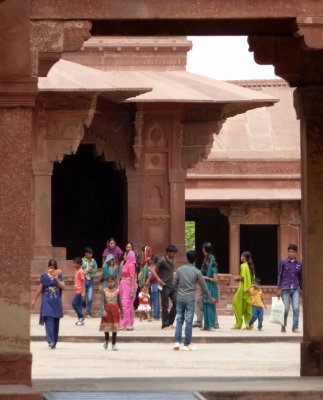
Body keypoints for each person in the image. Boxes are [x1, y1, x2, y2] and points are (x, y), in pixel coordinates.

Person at [173, 250, 217, 351]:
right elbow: (204, 287)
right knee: (188, 321)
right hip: (190, 299)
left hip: (180, 298)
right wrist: (211, 298)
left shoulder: (179, 270)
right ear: (195, 259)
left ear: (187, 258)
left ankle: (176, 342)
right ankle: (186, 344)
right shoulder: (197, 272)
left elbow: (174, 284)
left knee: (179, 320)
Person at [31, 259, 65, 349]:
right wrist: (34, 299)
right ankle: (50, 340)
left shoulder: (59, 275)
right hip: (46, 301)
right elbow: (40, 289)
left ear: (56, 267)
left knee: (55, 322)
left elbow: (63, 287)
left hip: (56, 302)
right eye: (50, 267)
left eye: (54, 267)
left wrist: (56, 277)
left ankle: (54, 341)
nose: (52, 269)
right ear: (48, 267)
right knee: (49, 319)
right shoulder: (44, 276)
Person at [151, 244, 178, 329]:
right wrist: (158, 279)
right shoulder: (162, 260)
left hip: (173, 286)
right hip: (165, 285)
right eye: (173, 253)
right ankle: (165, 324)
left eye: (175, 253)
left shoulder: (173, 260)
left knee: (177, 303)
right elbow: (152, 269)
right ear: (168, 252)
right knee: (165, 306)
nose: (174, 255)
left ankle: (170, 322)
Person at [277, 243, 302, 333]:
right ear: (288, 252)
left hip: (295, 289)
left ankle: (295, 327)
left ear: (296, 253)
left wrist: (302, 289)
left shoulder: (299, 264)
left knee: (296, 308)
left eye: (293, 252)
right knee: (286, 309)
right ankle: (283, 325)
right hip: (286, 289)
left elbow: (300, 277)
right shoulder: (283, 262)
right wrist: (279, 288)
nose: (291, 253)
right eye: (290, 252)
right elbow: (280, 275)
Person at [232, 251, 255, 330]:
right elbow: (253, 278)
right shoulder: (251, 266)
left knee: (236, 304)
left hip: (243, 288)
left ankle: (238, 324)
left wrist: (237, 278)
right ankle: (250, 325)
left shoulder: (243, 266)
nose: (240, 257)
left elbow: (243, 277)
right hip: (250, 289)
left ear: (244, 258)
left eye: (241, 256)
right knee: (248, 307)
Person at [100, 276, 123, 351]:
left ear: (114, 282)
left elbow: (119, 302)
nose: (110, 283)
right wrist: (103, 310)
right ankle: (106, 341)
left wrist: (122, 311)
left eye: (112, 282)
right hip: (107, 311)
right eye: (109, 282)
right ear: (106, 283)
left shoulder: (117, 291)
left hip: (115, 311)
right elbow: (102, 301)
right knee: (106, 328)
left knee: (114, 328)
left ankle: (113, 344)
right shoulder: (104, 291)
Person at [119, 250, 138, 330]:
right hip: (124, 285)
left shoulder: (131, 265)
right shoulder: (126, 264)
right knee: (128, 305)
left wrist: (132, 289)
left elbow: (133, 277)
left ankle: (124, 323)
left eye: (125, 255)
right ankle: (129, 324)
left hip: (129, 285)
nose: (124, 256)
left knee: (125, 304)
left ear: (129, 256)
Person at [201, 253, 219, 331]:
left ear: (209, 261)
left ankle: (211, 325)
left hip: (212, 289)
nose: (206, 263)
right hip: (207, 288)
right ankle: (206, 325)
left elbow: (215, 279)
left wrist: (206, 278)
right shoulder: (209, 269)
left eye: (206, 261)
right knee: (205, 306)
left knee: (211, 307)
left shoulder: (213, 269)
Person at [81, 246, 98, 318]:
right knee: (83, 297)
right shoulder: (82, 260)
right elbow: (80, 271)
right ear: (85, 254)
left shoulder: (93, 261)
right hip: (83, 280)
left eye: (91, 253)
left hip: (90, 280)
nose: (91, 255)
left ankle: (87, 313)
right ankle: (82, 310)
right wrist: (86, 271)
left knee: (90, 297)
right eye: (89, 254)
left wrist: (92, 271)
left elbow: (96, 269)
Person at [71, 257, 85, 326]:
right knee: (79, 306)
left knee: (73, 303)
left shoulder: (81, 271)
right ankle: (80, 320)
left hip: (79, 291)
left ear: (79, 264)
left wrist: (83, 292)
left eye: (74, 263)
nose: (73, 265)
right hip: (77, 290)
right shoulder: (77, 271)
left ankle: (81, 316)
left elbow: (83, 282)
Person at [148, 255, 160, 320]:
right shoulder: (154, 267)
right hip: (155, 284)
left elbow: (153, 277)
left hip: (154, 284)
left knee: (155, 300)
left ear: (153, 261)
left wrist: (148, 281)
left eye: (150, 260)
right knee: (156, 299)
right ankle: (156, 315)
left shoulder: (154, 267)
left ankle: (156, 315)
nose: (149, 261)